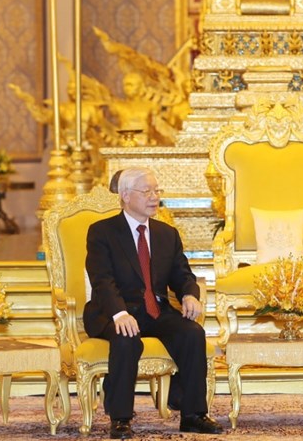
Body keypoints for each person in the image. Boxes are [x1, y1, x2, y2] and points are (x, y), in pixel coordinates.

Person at [84, 167, 222, 438]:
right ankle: (120, 418)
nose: (154, 197)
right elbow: (102, 280)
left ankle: (192, 413)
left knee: (192, 334)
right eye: (146, 191)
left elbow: (182, 274)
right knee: (127, 338)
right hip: (114, 311)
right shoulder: (102, 232)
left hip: (155, 310)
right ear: (125, 195)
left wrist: (189, 294)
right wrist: (120, 313)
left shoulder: (166, 234)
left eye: (157, 191)